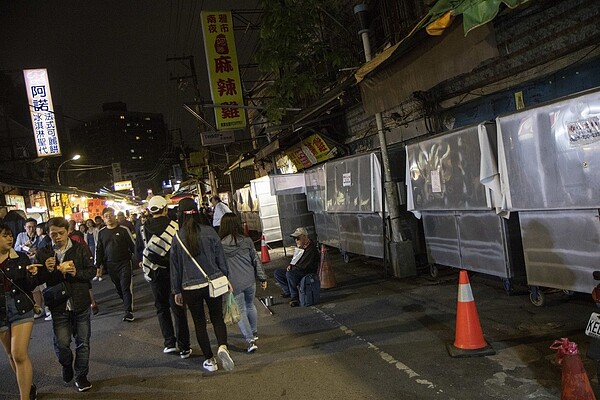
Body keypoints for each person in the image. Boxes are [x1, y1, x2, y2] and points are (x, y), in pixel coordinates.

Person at [170, 198, 234, 372]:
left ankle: (210, 360)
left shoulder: (177, 237)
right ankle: (222, 346)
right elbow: (221, 258)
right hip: (213, 282)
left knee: (199, 323)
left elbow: (175, 267)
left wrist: (176, 290)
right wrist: (226, 278)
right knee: (217, 318)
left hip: (189, 287)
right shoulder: (209, 232)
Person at [36, 217, 95, 392]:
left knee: (83, 342)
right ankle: (66, 363)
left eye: (61, 233)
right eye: (53, 234)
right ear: (48, 233)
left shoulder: (80, 249)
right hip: (58, 305)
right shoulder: (43, 252)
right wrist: (46, 269)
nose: (58, 237)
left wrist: (76, 271)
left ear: (68, 231)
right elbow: (38, 280)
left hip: (80, 302)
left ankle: (81, 376)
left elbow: (91, 271)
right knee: (62, 343)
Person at [135, 196, 191, 358]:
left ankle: (169, 343)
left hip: (154, 273)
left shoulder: (142, 229)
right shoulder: (175, 226)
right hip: (173, 272)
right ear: (165, 209)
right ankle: (184, 346)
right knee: (178, 308)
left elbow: (139, 251)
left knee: (161, 308)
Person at [0, 222, 41, 400]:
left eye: (10, 235)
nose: (10, 238)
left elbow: (30, 286)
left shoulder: (21, 258)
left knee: (19, 354)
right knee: (11, 354)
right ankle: (27, 384)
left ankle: (24, 397)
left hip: (20, 306)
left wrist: (31, 275)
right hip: (1, 310)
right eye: (5, 235)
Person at [219, 213, 267, 353]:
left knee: (241, 310)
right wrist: (262, 277)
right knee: (250, 305)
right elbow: (255, 260)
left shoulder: (221, 245)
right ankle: (254, 332)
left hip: (234, 283)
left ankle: (250, 339)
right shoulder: (247, 241)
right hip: (249, 279)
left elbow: (220, 266)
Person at [95, 207, 136, 322]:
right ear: (103, 218)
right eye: (106, 216)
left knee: (125, 287)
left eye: (111, 215)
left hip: (124, 262)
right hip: (110, 264)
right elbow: (99, 250)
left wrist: (139, 259)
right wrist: (98, 266)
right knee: (118, 287)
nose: (109, 217)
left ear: (115, 216)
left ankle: (128, 312)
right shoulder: (101, 233)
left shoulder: (123, 230)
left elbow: (133, 246)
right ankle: (126, 302)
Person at [273, 227, 320, 307]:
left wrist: (292, 268)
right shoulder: (300, 247)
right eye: (295, 238)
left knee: (290, 274)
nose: (296, 240)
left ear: (304, 237)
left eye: (298, 238)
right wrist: (291, 265)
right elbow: (295, 260)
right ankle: (288, 291)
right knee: (278, 273)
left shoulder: (311, 248)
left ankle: (294, 297)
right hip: (298, 269)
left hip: (306, 272)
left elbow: (304, 265)